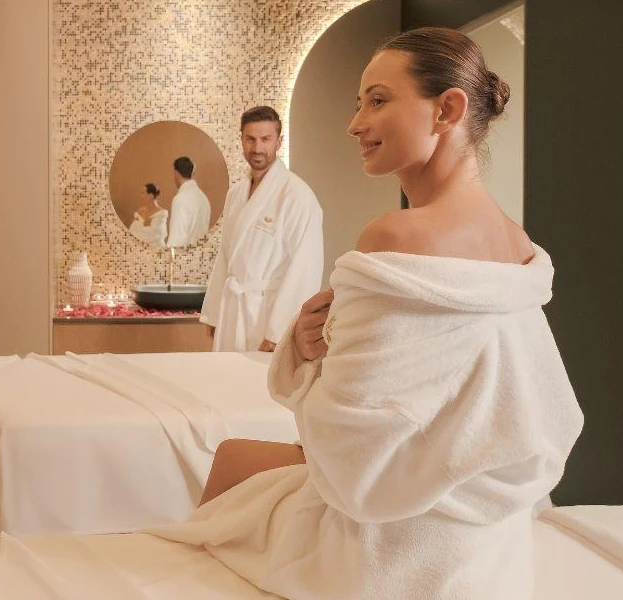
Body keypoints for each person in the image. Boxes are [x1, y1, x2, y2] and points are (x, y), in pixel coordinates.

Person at [146, 27, 584, 600]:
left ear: (447, 108)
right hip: (488, 545)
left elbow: (347, 457)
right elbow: (518, 407)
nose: (355, 123)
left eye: (377, 100)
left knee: (230, 468)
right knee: (244, 464)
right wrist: (312, 347)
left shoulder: (394, 235)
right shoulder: (518, 246)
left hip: (396, 554)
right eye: (359, 104)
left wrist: (304, 366)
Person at [199, 106, 324, 352]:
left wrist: (279, 332)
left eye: (265, 139)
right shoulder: (236, 194)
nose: (257, 148)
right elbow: (225, 256)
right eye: (251, 139)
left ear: (279, 141)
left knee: (258, 387)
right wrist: (214, 314)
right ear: (241, 140)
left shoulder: (297, 195)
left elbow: (304, 269)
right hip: (233, 311)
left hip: (266, 315)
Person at [166, 156, 211, 247]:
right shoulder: (203, 198)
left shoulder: (180, 199)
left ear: (176, 173)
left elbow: (177, 239)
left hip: (183, 257)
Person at [127, 182, 168, 247]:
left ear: (150, 196)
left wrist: (139, 226)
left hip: (157, 250)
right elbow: (131, 232)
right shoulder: (139, 212)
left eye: (143, 193)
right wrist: (145, 225)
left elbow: (154, 235)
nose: (140, 196)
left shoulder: (162, 214)